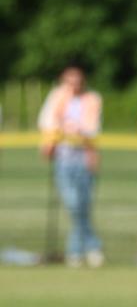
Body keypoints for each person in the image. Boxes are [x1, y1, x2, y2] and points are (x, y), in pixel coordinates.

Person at [37, 65, 105, 268]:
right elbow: (47, 124)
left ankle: (76, 251)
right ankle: (91, 246)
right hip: (64, 158)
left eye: (77, 81)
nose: (73, 86)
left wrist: (78, 132)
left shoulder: (92, 99)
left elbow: (92, 130)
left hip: (83, 157)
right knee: (74, 204)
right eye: (69, 81)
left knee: (83, 205)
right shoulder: (57, 98)